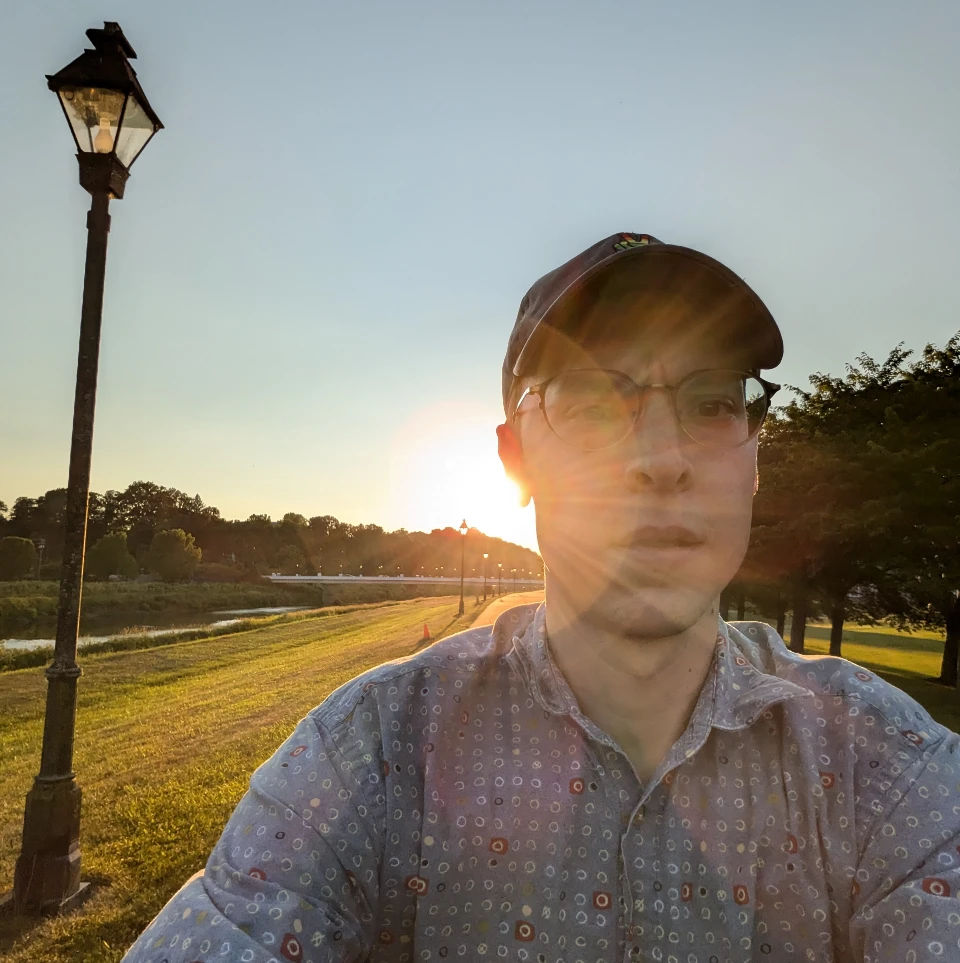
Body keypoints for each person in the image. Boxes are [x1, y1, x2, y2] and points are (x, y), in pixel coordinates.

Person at [122, 233, 960, 963]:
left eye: (711, 402)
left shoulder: (880, 765)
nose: (661, 458)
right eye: (596, 404)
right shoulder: (372, 752)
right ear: (515, 459)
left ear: (752, 457)